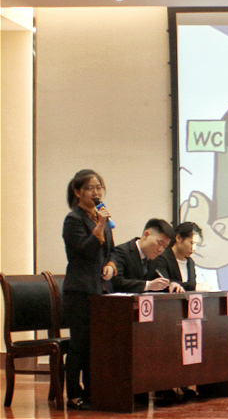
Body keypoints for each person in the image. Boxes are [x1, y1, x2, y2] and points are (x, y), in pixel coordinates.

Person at [62, 169, 116, 411]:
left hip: (100, 290)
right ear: (77, 192)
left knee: (97, 345)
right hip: (80, 291)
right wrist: (101, 225)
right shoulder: (73, 220)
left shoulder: (100, 218)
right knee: (80, 345)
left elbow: (111, 251)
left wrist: (111, 265)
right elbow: (86, 250)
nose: (96, 193)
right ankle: (74, 394)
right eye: (90, 188)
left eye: (99, 188)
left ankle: (94, 391)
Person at [110, 218, 177, 293]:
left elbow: (156, 281)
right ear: (146, 235)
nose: (160, 250)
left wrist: (170, 286)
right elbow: (117, 282)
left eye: (164, 247)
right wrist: (147, 285)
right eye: (159, 243)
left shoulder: (154, 258)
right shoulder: (121, 251)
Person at [151, 222, 203, 292]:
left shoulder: (190, 262)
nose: (193, 248)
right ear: (178, 238)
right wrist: (194, 287)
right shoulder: (162, 258)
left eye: (196, 244)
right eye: (191, 243)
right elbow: (165, 283)